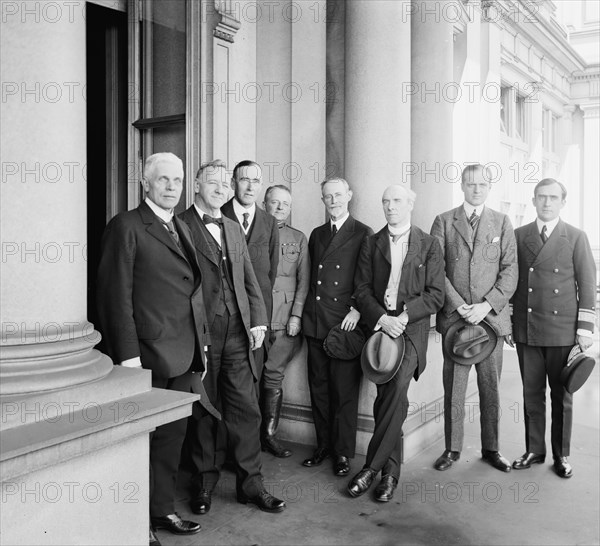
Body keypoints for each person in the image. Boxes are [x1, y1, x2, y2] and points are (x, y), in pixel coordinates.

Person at [96, 152, 212, 546]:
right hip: (144, 355)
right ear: (145, 183)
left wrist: (203, 347)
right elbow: (114, 298)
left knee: (171, 438)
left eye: (177, 180)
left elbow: (191, 293)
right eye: (162, 180)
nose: (171, 187)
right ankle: (132, 523)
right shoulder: (126, 226)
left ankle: (161, 510)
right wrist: (127, 358)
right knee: (137, 442)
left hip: (183, 354)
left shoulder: (180, 225)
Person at [180, 160, 286, 513]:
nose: (221, 188)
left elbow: (250, 279)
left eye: (225, 183)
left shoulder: (232, 225)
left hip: (239, 332)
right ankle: (204, 484)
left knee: (246, 408)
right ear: (196, 184)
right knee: (205, 411)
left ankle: (251, 484)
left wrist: (258, 320)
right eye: (213, 182)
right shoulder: (180, 225)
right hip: (203, 334)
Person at [349, 185, 445, 502]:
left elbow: (435, 295)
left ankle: (370, 469)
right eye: (386, 201)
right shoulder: (371, 243)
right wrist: (382, 319)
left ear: (411, 204)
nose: (391, 206)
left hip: (410, 332)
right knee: (390, 399)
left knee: (394, 390)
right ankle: (389, 475)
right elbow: (361, 290)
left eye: (397, 201)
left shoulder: (429, 244)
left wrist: (402, 319)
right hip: (380, 329)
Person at [430, 163, 518, 473]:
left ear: (489, 187)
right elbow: (435, 270)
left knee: (490, 387)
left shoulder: (502, 222)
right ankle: (452, 449)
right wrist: (459, 305)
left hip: (491, 320)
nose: (476, 189)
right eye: (470, 184)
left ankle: (491, 448)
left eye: (481, 184)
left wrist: (486, 306)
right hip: (457, 319)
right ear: (462, 186)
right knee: (453, 386)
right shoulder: (443, 221)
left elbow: (510, 271)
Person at [511, 178, 596, 478]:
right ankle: (535, 449)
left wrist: (585, 329)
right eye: (541, 197)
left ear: (563, 202)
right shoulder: (519, 235)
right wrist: (511, 321)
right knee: (531, 394)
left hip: (563, 328)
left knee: (562, 395)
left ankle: (561, 455)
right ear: (533, 201)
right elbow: (511, 281)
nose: (547, 202)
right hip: (528, 327)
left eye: (553, 197)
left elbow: (587, 284)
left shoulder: (575, 236)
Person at [302, 177, 374, 476]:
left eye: (338, 195)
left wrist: (358, 309)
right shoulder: (317, 234)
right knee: (318, 389)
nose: (333, 201)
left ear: (349, 196)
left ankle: (342, 453)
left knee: (344, 392)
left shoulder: (363, 232)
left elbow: (368, 278)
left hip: (344, 324)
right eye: (328, 196)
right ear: (323, 200)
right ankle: (323, 446)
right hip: (317, 321)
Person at [260, 185, 310, 458]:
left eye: (285, 204)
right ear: (264, 203)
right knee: (248, 378)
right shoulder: (250, 234)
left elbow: (304, 281)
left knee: (273, 374)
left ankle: (268, 436)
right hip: (255, 320)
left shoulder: (298, 238)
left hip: (285, 320)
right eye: (274, 202)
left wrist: (297, 315)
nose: (279, 208)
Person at [221, 160, 279, 380]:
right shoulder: (220, 214)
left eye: (255, 181)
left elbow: (269, 274)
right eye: (244, 180)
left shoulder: (269, 222)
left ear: (261, 184)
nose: (250, 187)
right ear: (234, 182)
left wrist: (259, 313)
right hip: (226, 316)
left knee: (254, 379)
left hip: (258, 317)